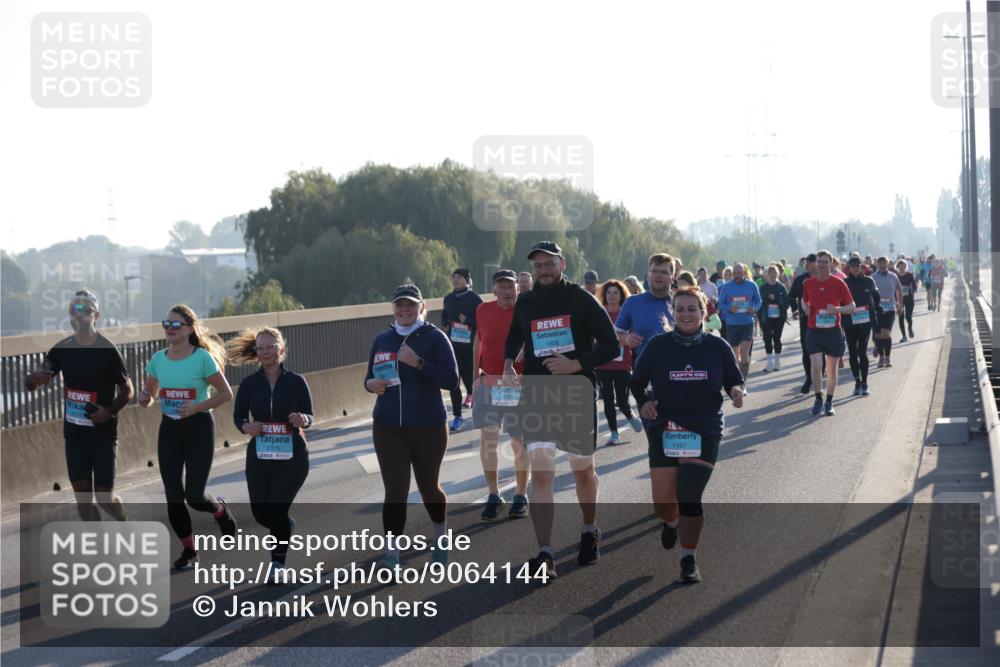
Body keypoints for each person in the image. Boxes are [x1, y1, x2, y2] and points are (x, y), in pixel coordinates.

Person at [503, 241, 619, 581]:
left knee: (582, 470)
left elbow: (611, 346)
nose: (543, 270)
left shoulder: (581, 299)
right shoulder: (525, 302)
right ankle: (545, 553)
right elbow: (514, 337)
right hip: (537, 394)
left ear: (562, 264)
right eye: (537, 266)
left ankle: (589, 528)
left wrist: (576, 364)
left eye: (549, 264)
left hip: (575, 392)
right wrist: (509, 361)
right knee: (542, 474)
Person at [630, 286, 744, 583]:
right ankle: (671, 522)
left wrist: (736, 391)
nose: (685, 313)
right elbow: (637, 382)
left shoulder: (717, 347)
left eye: (692, 308)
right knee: (662, 503)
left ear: (703, 312)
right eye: (680, 308)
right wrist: (644, 403)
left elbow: (734, 379)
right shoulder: (658, 345)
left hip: (704, 426)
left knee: (690, 494)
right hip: (665, 426)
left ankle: (688, 557)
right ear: (673, 311)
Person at [365, 284, 459, 568]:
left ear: (422, 308)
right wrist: (370, 384)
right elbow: (369, 376)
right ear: (393, 308)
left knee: (429, 487)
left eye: (410, 305)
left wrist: (419, 363)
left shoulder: (435, 338)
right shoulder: (383, 339)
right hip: (388, 424)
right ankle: (392, 555)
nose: (404, 310)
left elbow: (451, 380)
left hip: (428, 425)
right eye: (399, 305)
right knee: (395, 491)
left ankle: (440, 537)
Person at [137, 304, 236, 569]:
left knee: (194, 495)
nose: (169, 329)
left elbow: (226, 394)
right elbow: (149, 394)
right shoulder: (158, 359)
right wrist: (144, 398)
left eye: (175, 325)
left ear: (190, 329)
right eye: (165, 324)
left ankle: (221, 511)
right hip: (169, 429)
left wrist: (196, 407)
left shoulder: (201, 358)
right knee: (173, 494)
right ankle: (190, 551)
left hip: (199, 428)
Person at [24, 290, 133, 522]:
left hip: (103, 434)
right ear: (70, 315)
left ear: (97, 315)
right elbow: (31, 384)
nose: (79, 315)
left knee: (105, 498)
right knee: (83, 503)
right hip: (74, 435)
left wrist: (109, 411)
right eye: (75, 310)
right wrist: (33, 378)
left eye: (85, 310)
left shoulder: (108, 350)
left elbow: (128, 390)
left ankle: (124, 522)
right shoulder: (61, 349)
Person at [229, 326, 313, 581]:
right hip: (260, 455)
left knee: (276, 509)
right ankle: (285, 527)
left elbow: (310, 415)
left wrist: (303, 419)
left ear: (281, 350)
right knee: (260, 512)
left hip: (292, 457)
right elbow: (238, 415)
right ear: (256, 352)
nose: (265, 352)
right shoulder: (250, 384)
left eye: (270, 347)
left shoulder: (297, 381)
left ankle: (277, 565)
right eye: (260, 348)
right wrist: (246, 426)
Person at [473, 269, 529, 521]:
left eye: (511, 286)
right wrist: (474, 376)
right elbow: (479, 341)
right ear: (494, 290)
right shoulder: (482, 310)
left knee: (518, 440)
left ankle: (520, 493)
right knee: (488, 440)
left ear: (518, 288)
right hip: (489, 381)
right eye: (502, 287)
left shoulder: (526, 310)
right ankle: (493, 494)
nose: (507, 291)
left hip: (518, 383)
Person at [801, 252, 855, 416]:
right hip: (814, 331)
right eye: (820, 261)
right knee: (816, 366)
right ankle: (818, 398)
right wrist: (805, 308)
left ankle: (829, 402)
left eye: (825, 262)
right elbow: (805, 300)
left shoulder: (839, 283)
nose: (822, 264)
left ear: (831, 264)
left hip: (833, 332)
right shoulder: (809, 283)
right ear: (816, 264)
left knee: (832, 370)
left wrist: (837, 309)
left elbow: (851, 306)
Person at [595, 279, 642, 445]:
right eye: (609, 293)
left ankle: (629, 414)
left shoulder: (626, 313)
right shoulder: (599, 312)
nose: (612, 296)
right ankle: (614, 433)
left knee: (622, 400)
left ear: (621, 295)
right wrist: (619, 340)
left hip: (622, 364)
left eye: (616, 293)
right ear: (604, 295)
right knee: (607, 399)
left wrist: (621, 340)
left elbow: (631, 338)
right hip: (602, 363)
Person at [442, 268, 483, 432]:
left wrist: (468, 320)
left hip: (470, 345)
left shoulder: (474, 299)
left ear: (467, 280)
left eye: (459, 277)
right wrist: (445, 323)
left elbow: (482, 320)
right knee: (454, 380)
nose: (456, 280)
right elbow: (444, 314)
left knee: (468, 378)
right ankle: (457, 416)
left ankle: (476, 404)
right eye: (454, 278)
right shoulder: (448, 298)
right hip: (452, 344)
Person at [616, 254, 676, 366]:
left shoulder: (681, 303)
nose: (658, 275)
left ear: (672, 278)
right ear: (648, 275)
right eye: (654, 271)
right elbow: (615, 335)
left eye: (664, 272)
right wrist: (626, 338)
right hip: (643, 373)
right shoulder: (632, 302)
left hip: (676, 370)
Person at [717, 263, 761, 389]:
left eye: (739, 273)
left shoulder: (751, 285)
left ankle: (743, 384)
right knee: (735, 358)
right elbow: (720, 304)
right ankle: (735, 381)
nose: (737, 276)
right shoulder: (727, 287)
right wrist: (729, 308)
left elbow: (759, 301)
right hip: (732, 325)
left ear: (744, 273)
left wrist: (754, 308)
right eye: (735, 273)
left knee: (745, 359)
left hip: (747, 323)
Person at [843, 257, 881, 396]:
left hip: (865, 321)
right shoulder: (844, 283)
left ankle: (864, 383)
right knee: (852, 353)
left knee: (862, 351)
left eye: (857, 266)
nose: (855, 268)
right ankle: (857, 382)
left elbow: (876, 296)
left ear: (861, 267)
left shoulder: (869, 281)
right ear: (849, 268)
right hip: (849, 322)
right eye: (852, 266)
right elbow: (840, 301)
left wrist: (876, 308)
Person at [788, 253, 818, 394]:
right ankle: (808, 378)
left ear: (815, 263)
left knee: (820, 352)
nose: (805, 265)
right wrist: (795, 309)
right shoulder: (801, 279)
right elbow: (791, 296)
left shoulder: (823, 278)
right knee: (806, 351)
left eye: (808, 263)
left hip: (822, 321)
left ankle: (818, 378)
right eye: (805, 263)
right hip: (805, 320)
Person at [871, 256, 903, 368]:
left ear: (888, 264)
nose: (883, 266)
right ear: (877, 265)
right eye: (880, 264)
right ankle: (881, 358)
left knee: (886, 333)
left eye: (885, 263)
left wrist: (900, 305)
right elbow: (868, 294)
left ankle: (888, 358)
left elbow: (899, 290)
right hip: (877, 310)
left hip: (890, 309)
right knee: (878, 335)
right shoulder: (872, 277)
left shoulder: (893, 276)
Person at [757, 264, 790, 372]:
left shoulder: (781, 287)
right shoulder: (763, 288)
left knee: (777, 338)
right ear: (767, 275)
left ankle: (777, 361)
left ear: (778, 274)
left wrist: (776, 299)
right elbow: (759, 302)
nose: (772, 275)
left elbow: (786, 303)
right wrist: (768, 299)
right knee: (767, 338)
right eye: (770, 273)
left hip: (779, 317)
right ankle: (769, 361)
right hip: (767, 317)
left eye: (775, 272)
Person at [896, 259, 917, 340]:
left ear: (905, 266)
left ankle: (910, 328)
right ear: (897, 266)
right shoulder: (895, 276)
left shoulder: (909, 275)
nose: (901, 267)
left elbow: (915, 286)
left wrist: (912, 289)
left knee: (908, 316)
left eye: (903, 265)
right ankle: (904, 336)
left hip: (909, 298)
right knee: (900, 317)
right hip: (899, 299)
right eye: (900, 265)